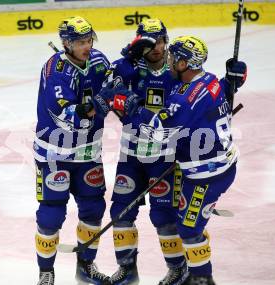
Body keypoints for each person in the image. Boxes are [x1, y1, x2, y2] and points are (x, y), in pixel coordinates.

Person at [102, 35, 247, 285]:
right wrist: (233, 81)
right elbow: (219, 92)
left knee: (189, 229)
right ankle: (192, 274)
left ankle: (202, 280)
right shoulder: (210, 81)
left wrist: (132, 107)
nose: (169, 59)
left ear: (183, 64)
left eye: (173, 57)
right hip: (215, 166)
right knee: (186, 223)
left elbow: (157, 132)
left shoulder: (185, 98)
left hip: (205, 175)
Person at [105, 19, 186, 285]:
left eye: (159, 41)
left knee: (163, 216)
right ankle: (127, 270)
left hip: (165, 156)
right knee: (120, 212)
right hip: (131, 154)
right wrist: (126, 65)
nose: (155, 48)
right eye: (148, 43)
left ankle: (178, 269)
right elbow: (108, 93)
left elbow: (197, 98)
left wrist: (229, 88)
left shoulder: (177, 68)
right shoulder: (128, 67)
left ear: (166, 41)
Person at [33, 16, 112, 285]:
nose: (87, 45)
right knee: (50, 214)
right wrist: (102, 100)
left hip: (89, 153)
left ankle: (86, 266)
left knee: (93, 209)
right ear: (66, 43)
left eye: (89, 39)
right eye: (80, 42)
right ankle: (46, 272)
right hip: (55, 153)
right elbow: (68, 116)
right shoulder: (55, 70)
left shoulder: (99, 61)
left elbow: (120, 86)